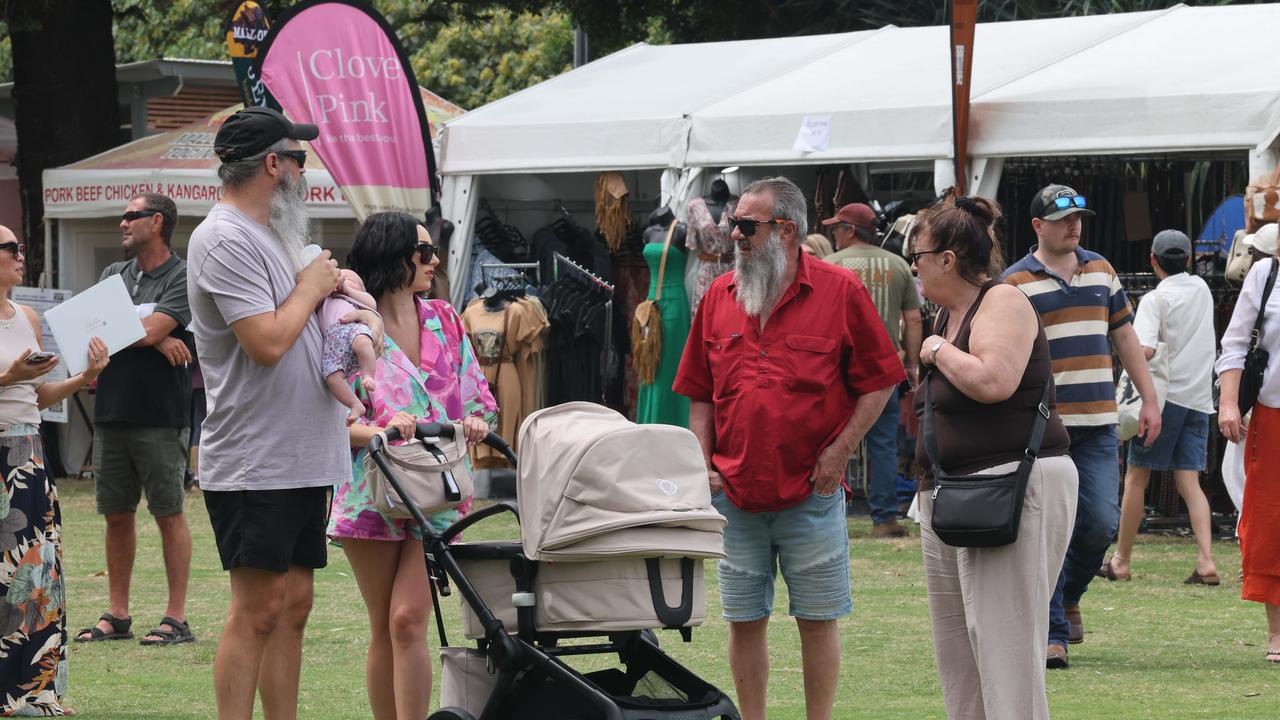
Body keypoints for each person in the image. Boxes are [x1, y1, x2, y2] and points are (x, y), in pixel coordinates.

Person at [674, 176, 903, 720]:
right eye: (733, 224)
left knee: (818, 619)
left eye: (745, 226)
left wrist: (842, 449)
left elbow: (881, 379)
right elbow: (699, 392)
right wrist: (703, 464)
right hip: (735, 492)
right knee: (744, 619)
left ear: (786, 230)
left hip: (812, 492)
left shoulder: (840, 291)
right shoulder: (720, 296)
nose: (734, 235)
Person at [187, 106, 379, 720]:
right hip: (255, 458)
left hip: (301, 452)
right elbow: (266, 343)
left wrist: (345, 299)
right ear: (274, 164)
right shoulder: (221, 237)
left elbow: (308, 324)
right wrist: (312, 287)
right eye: (300, 159)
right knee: (258, 608)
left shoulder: (274, 234)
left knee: (294, 604)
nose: (307, 170)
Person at [911, 194, 1076, 720]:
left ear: (947, 258)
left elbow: (993, 381)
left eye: (917, 255)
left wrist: (936, 351)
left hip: (1009, 487)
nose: (911, 266)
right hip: (955, 493)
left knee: (1006, 650)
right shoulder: (947, 312)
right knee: (959, 654)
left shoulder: (1002, 301)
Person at [330, 211, 497, 720]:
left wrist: (474, 421)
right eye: (423, 251)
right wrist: (378, 429)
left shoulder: (444, 317)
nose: (435, 260)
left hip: (438, 487)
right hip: (370, 488)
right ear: (393, 255)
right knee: (384, 622)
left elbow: (478, 397)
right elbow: (331, 417)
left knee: (409, 618)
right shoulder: (347, 322)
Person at [1003, 183, 1162, 669]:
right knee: (1048, 527)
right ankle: (1053, 632)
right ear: (1037, 226)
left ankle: (1070, 593)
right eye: (1060, 218)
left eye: (1078, 218)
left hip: (1096, 425)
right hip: (1043, 429)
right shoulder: (1014, 283)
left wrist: (1150, 399)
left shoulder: (1102, 269)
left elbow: (1125, 336)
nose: (1073, 226)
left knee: (1098, 524)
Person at [76, 193, 197, 648]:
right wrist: (155, 338)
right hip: (111, 410)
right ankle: (118, 614)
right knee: (116, 516)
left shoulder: (184, 274)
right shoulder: (113, 274)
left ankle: (176, 618)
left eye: (131, 216)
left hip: (161, 415)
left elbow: (144, 329)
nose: (122, 223)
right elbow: (92, 329)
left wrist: (146, 331)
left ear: (157, 221)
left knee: (168, 513)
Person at [0, 225, 110, 715]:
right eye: (11, 249)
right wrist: (9, 376)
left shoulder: (25, 315)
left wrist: (85, 377)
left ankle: (35, 690)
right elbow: (14, 383)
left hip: (30, 450)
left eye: (20, 247)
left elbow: (37, 396)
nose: (21, 255)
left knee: (37, 569)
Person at [1102, 230, 1218, 585]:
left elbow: (1145, 351)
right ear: (1187, 260)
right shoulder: (1202, 290)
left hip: (1163, 401)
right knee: (1189, 481)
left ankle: (1121, 560)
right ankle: (1206, 560)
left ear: (1153, 260)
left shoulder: (1155, 299)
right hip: (1198, 400)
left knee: (1137, 477)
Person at [824, 202, 923, 538]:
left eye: (836, 228)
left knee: (831, 439)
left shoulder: (828, 265)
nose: (833, 234)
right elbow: (912, 319)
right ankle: (884, 518)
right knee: (882, 443)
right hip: (886, 369)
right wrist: (912, 363)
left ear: (849, 230)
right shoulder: (897, 265)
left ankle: (828, 512)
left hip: (837, 370)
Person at [1217, 251, 1280, 665]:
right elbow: (1236, 341)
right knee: (1270, 519)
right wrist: (1228, 403)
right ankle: (1278, 630)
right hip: (1273, 413)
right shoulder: (1266, 272)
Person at [319, 269, 380, 423]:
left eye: (348, 278)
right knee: (331, 377)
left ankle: (368, 375)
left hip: (352, 328)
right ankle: (355, 404)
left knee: (363, 341)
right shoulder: (325, 299)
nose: (341, 278)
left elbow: (372, 304)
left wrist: (347, 288)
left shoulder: (355, 301)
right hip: (332, 340)